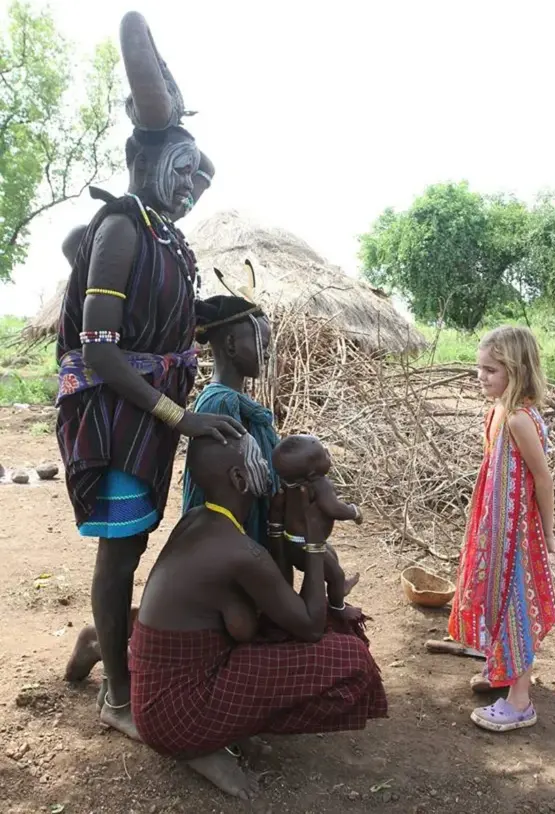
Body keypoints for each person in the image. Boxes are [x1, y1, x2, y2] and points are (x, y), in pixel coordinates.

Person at [57, 12, 243, 741]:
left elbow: (163, 324)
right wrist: (182, 417)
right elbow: (100, 351)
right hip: (113, 414)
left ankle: (98, 647)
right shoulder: (122, 228)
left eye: (201, 172)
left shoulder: (172, 239)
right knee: (121, 548)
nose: (194, 181)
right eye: (185, 167)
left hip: (149, 410)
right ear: (149, 157)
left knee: (135, 544)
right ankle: (118, 698)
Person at [130, 434, 387, 800]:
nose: (270, 469)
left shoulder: (199, 520)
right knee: (351, 659)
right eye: (261, 462)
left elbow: (279, 602)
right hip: (176, 717)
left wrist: (277, 525)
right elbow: (311, 627)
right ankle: (201, 746)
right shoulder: (237, 551)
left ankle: (222, 732)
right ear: (238, 478)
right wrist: (314, 543)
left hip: (164, 701)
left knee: (289, 629)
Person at [183, 292, 359, 608]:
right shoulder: (221, 403)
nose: (268, 351)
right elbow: (226, 486)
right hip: (239, 534)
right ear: (232, 345)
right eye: (262, 342)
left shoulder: (234, 400)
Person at [448, 325, 555, 732]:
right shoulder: (496, 411)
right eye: (480, 368)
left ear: (517, 371)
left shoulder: (519, 419)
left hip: (518, 535)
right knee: (495, 600)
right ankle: (503, 673)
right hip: (497, 531)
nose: (481, 376)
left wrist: (547, 533)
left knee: (516, 611)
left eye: (491, 370)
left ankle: (520, 701)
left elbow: (542, 479)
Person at [273, 434, 363, 524]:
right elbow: (333, 508)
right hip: (310, 535)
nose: (328, 452)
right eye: (324, 455)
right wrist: (354, 512)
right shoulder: (321, 485)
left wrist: (275, 530)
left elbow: (276, 508)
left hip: (287, 532)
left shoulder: (284, 485)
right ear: (312, 474)